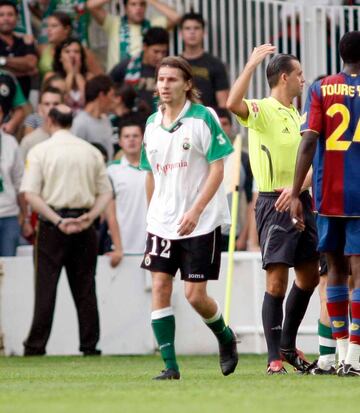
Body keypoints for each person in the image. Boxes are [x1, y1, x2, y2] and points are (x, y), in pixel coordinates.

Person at [140, 56, 238, 380]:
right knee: (159, 286)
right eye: (161, 79)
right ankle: (170, 366)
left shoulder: (203, 118)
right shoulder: (151, 124)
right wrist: (151, 214)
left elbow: (218, 168)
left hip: (202, 220)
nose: (164, 85)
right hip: (162, 222)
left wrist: (195, 211)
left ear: (187, 84)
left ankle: (225, 337)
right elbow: (150, 174)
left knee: (195, 295)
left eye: (171, 79)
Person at [227, 45, 319, 374]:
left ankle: (288, 345)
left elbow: (313, 161)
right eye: (298, 74)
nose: (303, 79)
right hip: (273, 202)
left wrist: (300, 187)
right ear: (284, 77)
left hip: (301, 201)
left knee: (309, 277)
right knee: (276, 282)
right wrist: (251, 63)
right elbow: (231, 103)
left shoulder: (300, 115)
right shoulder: (262, 109)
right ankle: (273, 357)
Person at [290, 30, 360, 377]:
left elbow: (308, 142)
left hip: (328, 194)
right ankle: (355, 359)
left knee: (334, 272)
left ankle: (337, 354)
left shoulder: (320, 88)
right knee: (359, 275)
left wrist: (293, 191)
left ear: (340, 54)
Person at [21, 104, 112, 356]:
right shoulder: (90, 151)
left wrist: (57, 220)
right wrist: (89, 217)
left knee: (45, 288)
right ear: (71, 121)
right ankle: (89, 345)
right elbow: (105, 192)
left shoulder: (40, 151)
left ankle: (36, 345)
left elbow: (30, 194)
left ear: (50, 121)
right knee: (85, 288)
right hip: (84, 225)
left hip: (52, 225)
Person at [87, 0, 179, 71]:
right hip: (118, 80)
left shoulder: (152, 25)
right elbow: (91, 5)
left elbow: (176, 17)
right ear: (126, 8)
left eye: (142, 4)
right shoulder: (114, 23)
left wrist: (151, 1)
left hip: (143, 79)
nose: (138, 8)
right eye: (133, 4)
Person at [213, 107, 254, 252]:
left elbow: (252, 201)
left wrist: (244, 236)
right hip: (207, 232)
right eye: (218, 124)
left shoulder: (242, 158)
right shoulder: (203, 157)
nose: (222, 128)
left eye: (225, 124)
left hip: (233, 235)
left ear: (231, 127)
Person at [106, 117, 147, 258]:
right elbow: (109, 213)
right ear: (120, 141)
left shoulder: (155, 168)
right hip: (122, 248)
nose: (131, 140)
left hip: (152, 247)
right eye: (127, 136)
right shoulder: (111, 170)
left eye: (135, 136)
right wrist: (118, 248)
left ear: (143, 139)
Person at [110, 26, 168, 112]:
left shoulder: (169, 70)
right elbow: (108, 90)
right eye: (156, 51)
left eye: (163, 52)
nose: (160, 56)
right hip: (130, 119)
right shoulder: (126, 66)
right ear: (144, 47)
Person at [180, 12, 229, 108]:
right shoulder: (175, 64)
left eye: (196, 28)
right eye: (187, 28)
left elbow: (223, 104)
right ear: (181, 33)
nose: (192, 32)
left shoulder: (216, 64)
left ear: (204, 32)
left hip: (207, 119)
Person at [0, 98, 30, 256]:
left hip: (9, 215)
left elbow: (20, 183)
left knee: (8, 267)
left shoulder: (10, 143)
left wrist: (25, 218)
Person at [37, 11, 102, 79]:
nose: (49, 30)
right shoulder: (43, 48)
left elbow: (100, 77)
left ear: (66, 29)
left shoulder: (80, 50)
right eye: (48, 26)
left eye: (54, 26)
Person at [45, 37, 95, 113]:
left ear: (81, 57)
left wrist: (77, 74)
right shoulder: (51, 77)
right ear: (60, 58)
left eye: (76, 52)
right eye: (67, 52)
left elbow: (88, 102)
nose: (72, 55)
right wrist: (70, 74)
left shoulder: (89, 77)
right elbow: (62, 102)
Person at [71, 74, 114, 160]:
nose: (112, 101)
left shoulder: (106, 120)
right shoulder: (80, 122)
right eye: (111, 96)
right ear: (102, 95)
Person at [0, 0, 37, 98]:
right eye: (1, 15)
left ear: (17, 18)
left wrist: (2, 61)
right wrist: (23, 69)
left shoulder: (26, 40)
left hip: (24, 101)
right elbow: (28, 69)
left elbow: (31, 64)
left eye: (10, 15)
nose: (6, 18)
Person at [20, 86, 63, 159]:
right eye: (47, 104)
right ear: (40, 108)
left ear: (63, 106)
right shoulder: (28, 142)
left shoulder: (72, 138)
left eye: (56, 104)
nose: (51, 108)